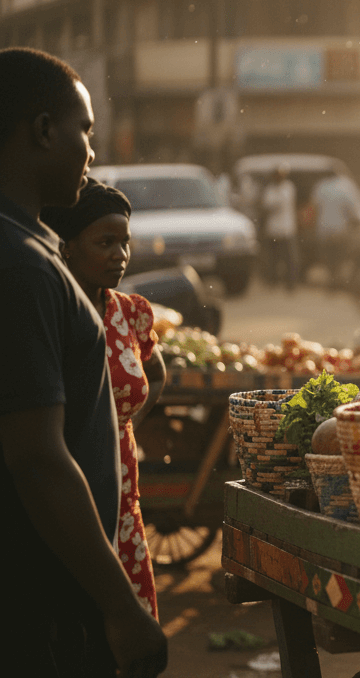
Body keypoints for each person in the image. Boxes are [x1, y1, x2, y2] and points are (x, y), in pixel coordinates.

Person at [0, 48, 167, 675]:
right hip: (37, 600)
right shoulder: (22, 267)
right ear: (44, 130)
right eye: (84, 131)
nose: (90, 153)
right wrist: (121, 608)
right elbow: (38, 458)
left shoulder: (31, 253)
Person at [42, 178, 165, 621]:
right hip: (65, 494)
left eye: (125, 242)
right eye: (105, 241)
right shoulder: (49, 310)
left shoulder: (129, 312)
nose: (120, 254)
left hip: (123, 494)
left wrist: (125, 426)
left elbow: (156, 373)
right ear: (69, 246)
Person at [312, 166, 360, 289]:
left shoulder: (320, 186)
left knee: (329, 258)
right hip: (340, 229)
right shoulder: (344, 186)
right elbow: (353, 208)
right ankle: (336, 282)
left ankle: (331, 280)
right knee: (339, 257)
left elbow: (314, 206)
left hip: (323, 229)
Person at [260, 164, 298, 291]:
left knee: (290, 259)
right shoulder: (270, 189)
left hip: (287, 229)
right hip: (274, 230)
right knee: (274, 259)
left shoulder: (288, 187)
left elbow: (283, 202)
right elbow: (268, 205)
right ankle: (273, 282)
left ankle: (290, 284)